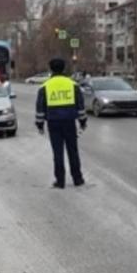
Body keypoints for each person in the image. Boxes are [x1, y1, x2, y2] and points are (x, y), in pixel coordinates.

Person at [35, 58, 87, 189]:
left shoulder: (45, 86)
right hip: (69, 122)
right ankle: (78, 179)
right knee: (73, 151)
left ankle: (60, 181)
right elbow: (80, 106)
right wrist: (82, 122)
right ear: (64, 69)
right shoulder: (73, 85)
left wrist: (40, 125)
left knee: (58, 153)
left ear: (51, 69)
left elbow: (40, 108)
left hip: (53, 123)